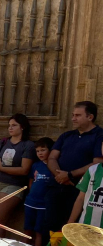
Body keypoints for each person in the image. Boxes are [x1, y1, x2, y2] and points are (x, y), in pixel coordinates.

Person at [45, 101, 103, 235]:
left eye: (77, 115)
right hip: (56, 188)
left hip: (78, 192)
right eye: (72, 115)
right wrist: (60, 176)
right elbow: (52, 158)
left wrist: (70, 175)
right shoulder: (66, 135)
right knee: (50, 229)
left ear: (90, 117)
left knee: (71, 231)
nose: (73, 119)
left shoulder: (99, 135)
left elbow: (97, 163)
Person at [0, 114, 35, 238]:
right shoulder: (3, 142)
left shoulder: (28, 145)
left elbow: (24, 170)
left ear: (22, 127)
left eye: (14, 125)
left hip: (13, 185)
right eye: (9, 125)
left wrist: (2, 168)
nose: (10, 128)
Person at [23, 137, 54, 246]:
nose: (40, 153)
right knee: (27, 229)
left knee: (39, 231)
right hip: (30, 202)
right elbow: (31, 181)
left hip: (43, 205)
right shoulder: (36, 165)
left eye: (43, 150)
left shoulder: (54, 167)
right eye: (37, 151)